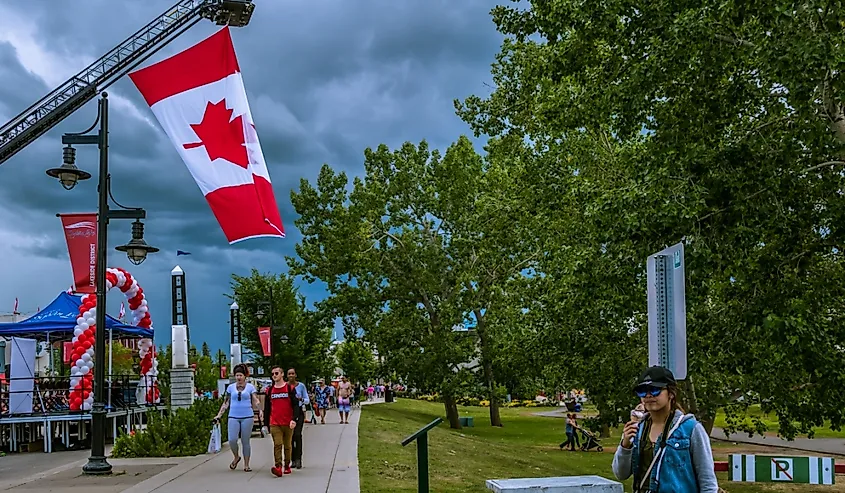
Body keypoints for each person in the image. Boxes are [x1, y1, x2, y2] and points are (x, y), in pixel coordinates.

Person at [612, 366, 719, 492]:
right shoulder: (638, 429)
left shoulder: (691, 429)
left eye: (655, 390)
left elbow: (708, 482)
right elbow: (621, 474)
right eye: (642, 391)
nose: (648, 395)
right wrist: (625, 445)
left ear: (671, 393)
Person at [214, 364, 262, 472]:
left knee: (245, 441)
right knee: (232, 439)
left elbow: (255, 399)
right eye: (237, 375)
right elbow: (226, 403)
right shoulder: (231, 388)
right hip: (233, 416)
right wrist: (219, 415)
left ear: (245, 376)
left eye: (240, 375)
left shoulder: (250, 387)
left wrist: (260, 409)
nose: (238, 377)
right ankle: (236, 456)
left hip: (247, 416)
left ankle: (246, 464)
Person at [263, 366, 299, 477]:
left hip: (287, 422)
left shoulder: (289, 389)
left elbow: (295, 405)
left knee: (287, 445)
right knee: (277, 444)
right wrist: (265, 424)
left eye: (277, 373)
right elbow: (267, 408)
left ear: (282, 374)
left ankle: (287, 465)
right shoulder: (270, 390)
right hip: (274, 422)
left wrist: (294, 419)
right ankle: (278, 466)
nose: (274, 375)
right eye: (273, 374)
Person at [287, 368, 310, 469]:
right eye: (289, 374)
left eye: (293, 373)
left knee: (297, 435)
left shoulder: (301, 386)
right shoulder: (285, 386)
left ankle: (298, 459)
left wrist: (301, 399)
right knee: (290, 437)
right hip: (288, 412)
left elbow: (307, 400)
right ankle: (292, 459)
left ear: (295, 375)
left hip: (299, 412)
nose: (291, 375)